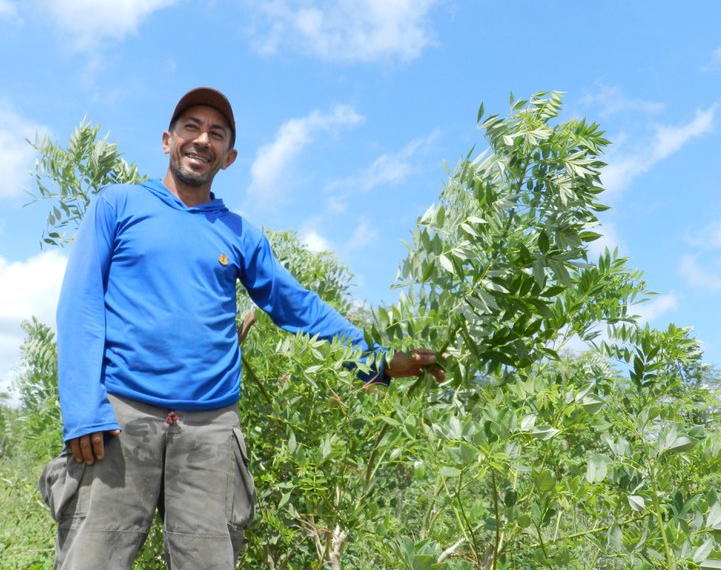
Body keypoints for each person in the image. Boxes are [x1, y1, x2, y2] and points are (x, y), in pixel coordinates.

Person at [39, 87, 445, 570]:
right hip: (119, 418)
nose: (201, 139)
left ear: (228, 157)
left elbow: (296, 306)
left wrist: (376, 361)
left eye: (216, 133)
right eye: (191, 127)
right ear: (167, 140)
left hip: (210, 430)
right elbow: (80, 303)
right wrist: (84, 410)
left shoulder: (239, 233)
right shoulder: (119, 205)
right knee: (91, 560)